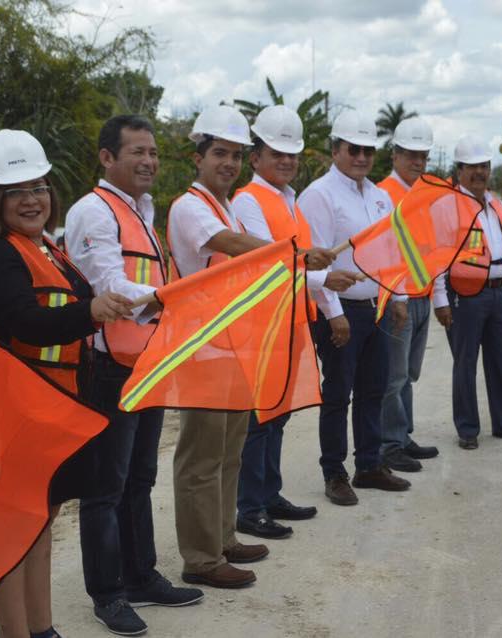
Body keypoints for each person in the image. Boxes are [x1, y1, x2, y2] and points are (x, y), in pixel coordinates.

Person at [0, 129, 137, 638]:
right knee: (15, 531)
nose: (32, 199)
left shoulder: (47, 248)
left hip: (54, 409)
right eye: (17, 190)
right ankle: (17, 633)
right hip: (18, 413)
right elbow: (24, 322)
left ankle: (42, 629)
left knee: (40, 526)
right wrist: (92, 310)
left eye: (39, 187)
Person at [167, 104, 335, 587]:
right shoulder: (191, 207)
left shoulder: (221, 203)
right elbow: (235, 245)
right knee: (200, 459)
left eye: (236, 155)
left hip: (232, 343)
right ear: (197, 157)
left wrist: (301, 261)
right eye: (220, 153)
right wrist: (297, 254)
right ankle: (200, 559)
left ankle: (222, 538)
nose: (229, 164)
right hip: (201, 345)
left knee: (228, 452)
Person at [65, 115, 203, 635]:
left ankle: (140, 575)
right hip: (107, 367)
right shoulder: (93, 212)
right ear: (106, 158)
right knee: (105, 486)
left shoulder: (142, 211)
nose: (148, 161)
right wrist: (177, 299)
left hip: (146, 361)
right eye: (136, 152)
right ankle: (107, 592)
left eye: (153, 152)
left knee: (140, 479)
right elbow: (111, 285)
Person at [231, 105, 360, 539]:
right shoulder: (249, 200)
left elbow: (305, 258)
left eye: (292, 154)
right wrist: (327, 278)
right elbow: (270, 263)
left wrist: (327, 303)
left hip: (292, 322)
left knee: (279, 415)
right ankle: (249, 507)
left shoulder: (289, 200)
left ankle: (269, 494)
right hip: (265, 326)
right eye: (276, 153)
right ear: (256, 157)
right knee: (260, 420)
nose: (285, 161)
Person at [298, 109, 412, 506]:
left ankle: (368, 465)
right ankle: (334, 472)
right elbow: (317, 262)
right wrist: (333, 313)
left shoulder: (379, 197)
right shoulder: (319, 196)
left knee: (372, 391)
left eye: (367, 150)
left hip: (374, 306)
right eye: (353, 149)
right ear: (335, 150)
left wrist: (396, 297)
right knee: (337, 394)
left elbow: (389, 251)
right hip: (341, 308)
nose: (361, 156)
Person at [432, 135, 502, 451]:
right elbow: (436, 256)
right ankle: (467, 428)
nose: (479, 172)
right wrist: (440, 300)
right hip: (465, 296)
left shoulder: (498, 206)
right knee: (465, 363)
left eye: (484, 166)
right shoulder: (446, 207)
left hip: (498, 294)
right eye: (472, 166)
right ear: (459, 170)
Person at [375, 117, 440, 473]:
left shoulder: (422, 193)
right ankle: (390, 444)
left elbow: (430, 248)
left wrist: (437, 296)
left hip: (422, 295)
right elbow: (384, 252)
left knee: (409, 374)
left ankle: (403, 435)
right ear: (395, 155)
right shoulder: (383, 194)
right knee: (394, 375)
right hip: (397, 300)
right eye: (412, 155)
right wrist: (395, 296)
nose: (418, 162)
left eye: (423, 156)